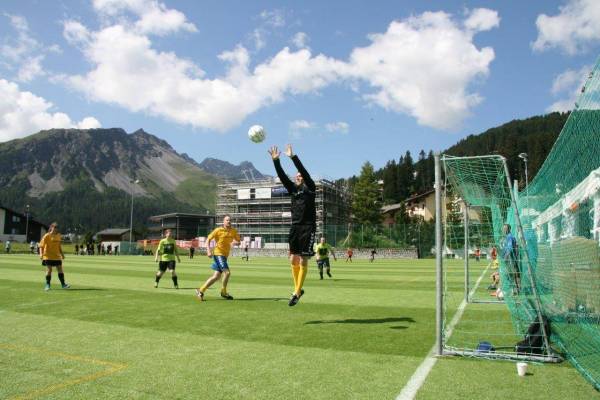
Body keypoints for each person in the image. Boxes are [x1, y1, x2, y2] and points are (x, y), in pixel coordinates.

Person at [269, 144, 316, 307]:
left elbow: (304, 171)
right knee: (292, 259)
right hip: (295, 227)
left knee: (303, 260)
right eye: (297, 176)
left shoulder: (311, 188)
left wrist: (293, 157)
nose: (299, 177)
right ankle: (298, 289)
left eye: (301, 176)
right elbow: (282, 176)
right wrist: (276, 161)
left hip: (308, 227)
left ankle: (297, 291)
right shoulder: (292, 190)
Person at [195, 215, 240, 301]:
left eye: (230, 220)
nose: (229, 222)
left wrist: (235, 243)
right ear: (223, 222)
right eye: (227, 220)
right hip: (218, 254)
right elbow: (208, 239)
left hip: (225, 256)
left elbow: (238, 241)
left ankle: (201, 291)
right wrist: (208, 251)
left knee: (216, 276)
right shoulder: (218, 230)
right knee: (227, 273)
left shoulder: (233, 231)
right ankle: (223, 292)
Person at [39, 222, 70, 291]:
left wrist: (62, 254)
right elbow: (41, 246)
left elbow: (59, 246)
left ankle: (63, 284)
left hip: (57, 256)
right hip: (48, 256)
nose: (56, 229)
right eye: (55, 227)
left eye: (57, 227)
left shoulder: (59, 235)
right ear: (51, 227)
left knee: (60, 270)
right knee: (49, 270)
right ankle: (47, 285)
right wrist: (41, 254)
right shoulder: (47, 235)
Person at [501, 224, 520, 291]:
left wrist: (506, 257)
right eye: (503, 228)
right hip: (510, 259)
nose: (504, 230)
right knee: (512, 273)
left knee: (512, 273)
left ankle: (515, 289)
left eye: (505, 228)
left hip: (511, 259)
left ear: (508, 229)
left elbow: (510, 248)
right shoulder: (506, 237)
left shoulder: (510, 237)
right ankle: (515, 288)